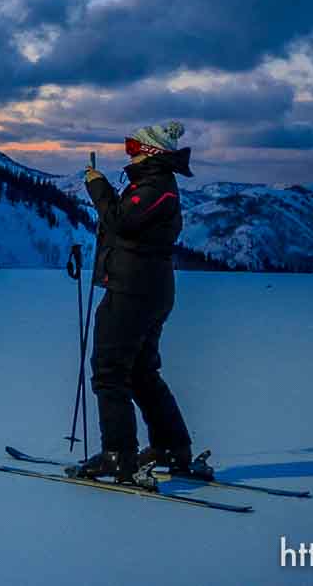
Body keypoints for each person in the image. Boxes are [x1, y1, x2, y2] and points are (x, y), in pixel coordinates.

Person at [73, 120, 210, 486]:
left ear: (151, 152)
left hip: (132, 292)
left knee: (110, 372)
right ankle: (169, 448)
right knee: (140, 372)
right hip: (147, 289)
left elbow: (121, 223)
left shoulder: (155, 188)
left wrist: (97, 187)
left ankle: (119, 456)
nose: (128, 152)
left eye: (133, 147)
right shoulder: (152, 185)